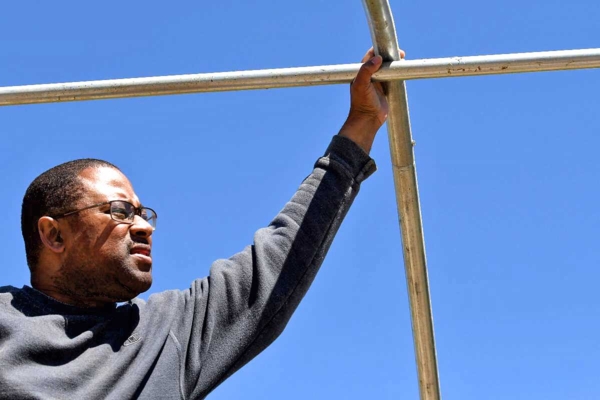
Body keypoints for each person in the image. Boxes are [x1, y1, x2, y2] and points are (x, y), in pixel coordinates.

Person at [0, 48, 404, 399]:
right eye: (121, 211)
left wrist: (363, 123)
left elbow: (277, 262)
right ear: (53, 234)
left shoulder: (163, 335)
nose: (144, 227)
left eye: (144, 214)